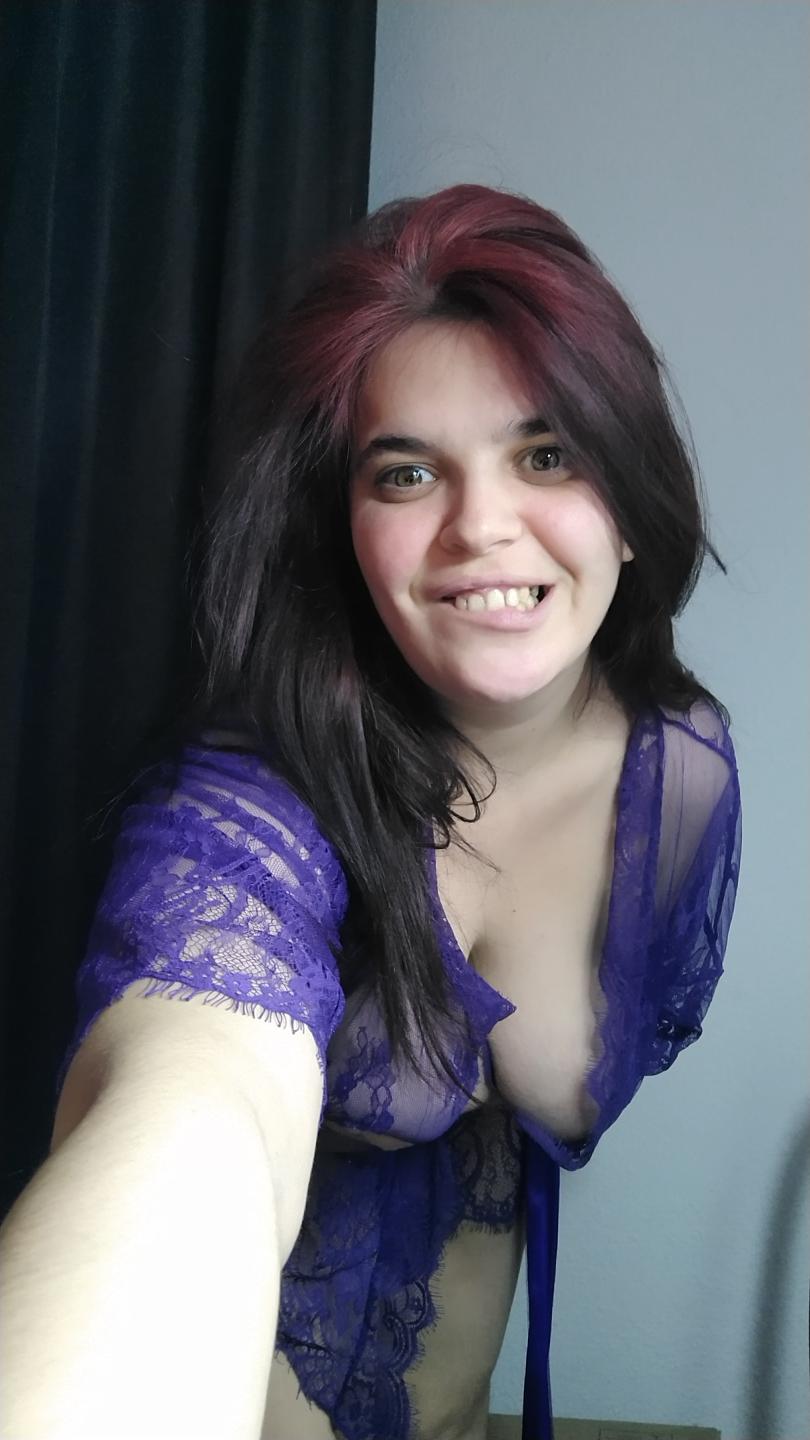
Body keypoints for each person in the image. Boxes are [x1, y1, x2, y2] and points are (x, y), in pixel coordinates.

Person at [0, 184, 742, 1440]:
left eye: (546, 454)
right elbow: (192, 1096)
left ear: (629, 496)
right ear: (346, 530)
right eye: (407, 473)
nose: (481, 527)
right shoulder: (257, 790)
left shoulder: (682, 770)